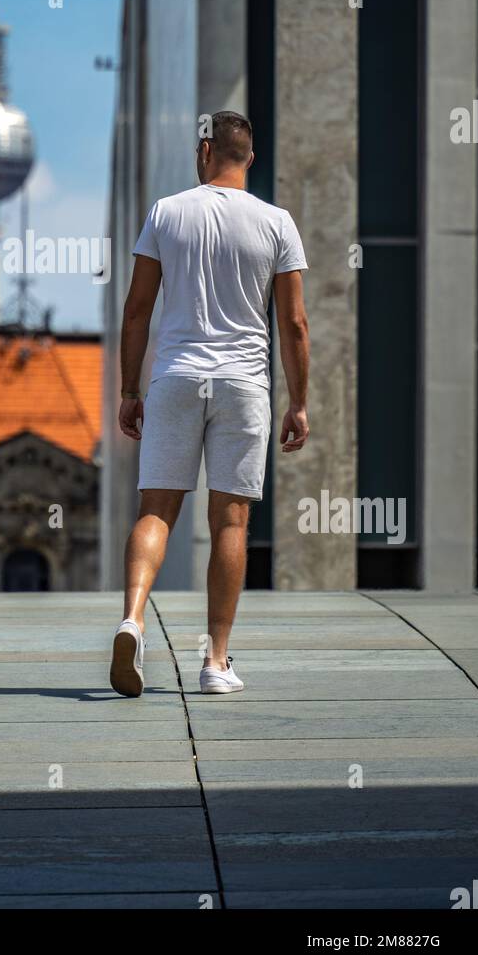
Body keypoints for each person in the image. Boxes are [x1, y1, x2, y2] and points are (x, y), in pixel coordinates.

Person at [109, 111, 310, 697]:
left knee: (156, 510)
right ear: (250, 158)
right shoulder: (277, 222)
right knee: (231, 519)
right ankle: (216, 662)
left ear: (204, 152)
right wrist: (299, 401)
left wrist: (128, 390)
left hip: (176, 377)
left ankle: (132, 619)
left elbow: (136, 310)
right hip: (244, 383)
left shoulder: (167, 213)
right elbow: (293, 323)